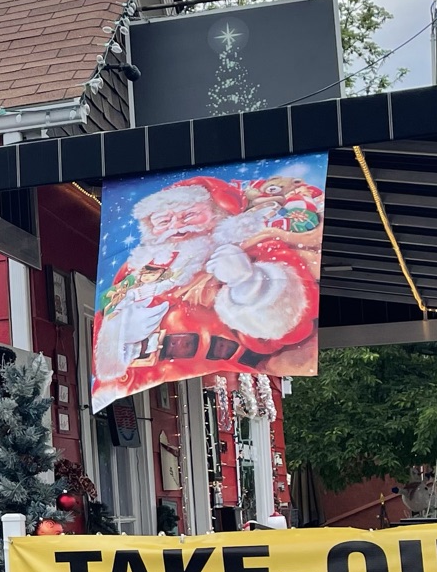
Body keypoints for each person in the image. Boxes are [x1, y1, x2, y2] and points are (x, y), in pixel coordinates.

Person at [93, 174, 320, 408]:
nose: (177, 227)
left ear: (216, 213)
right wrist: (118, 330)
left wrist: (249, 283)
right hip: (130, 387)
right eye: (163, 221)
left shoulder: (251, 246)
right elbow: (105, 316)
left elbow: (296, 315)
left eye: (189, 215)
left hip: (209, 384)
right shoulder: (135, 268)